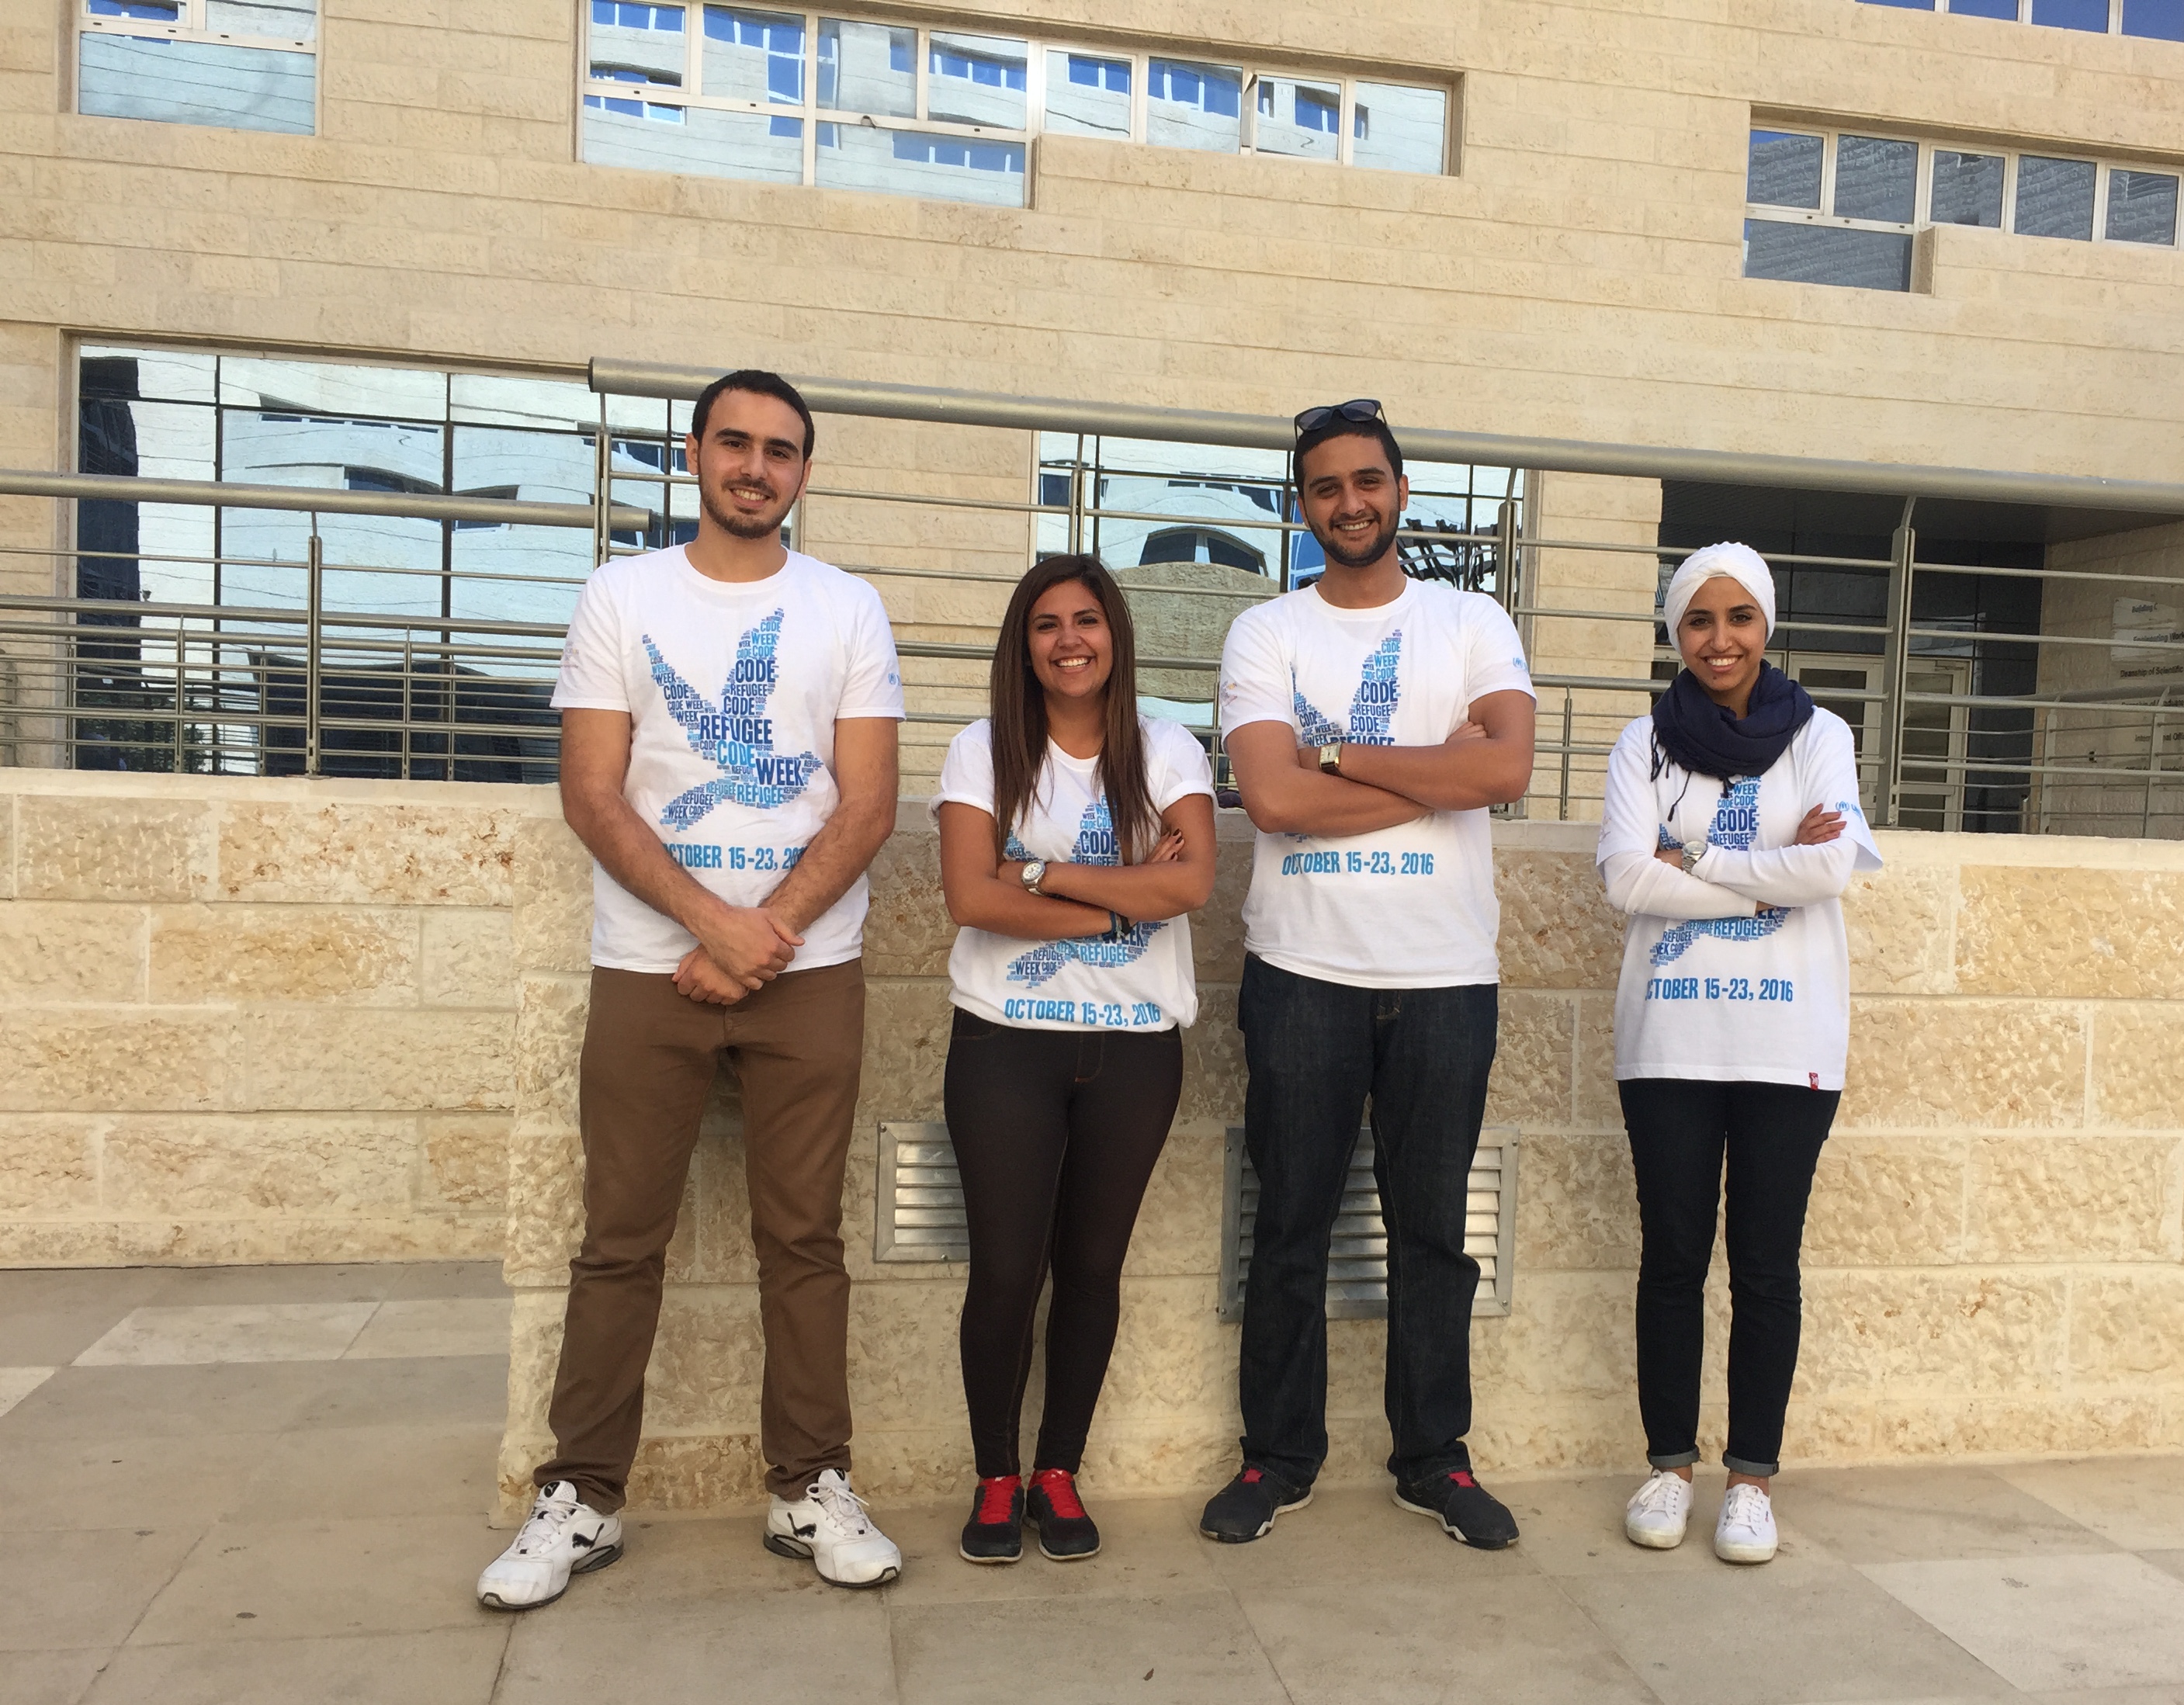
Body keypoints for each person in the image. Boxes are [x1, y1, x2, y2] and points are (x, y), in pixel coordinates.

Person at [477, 369, 907, 1610]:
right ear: (695, 454)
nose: (756, 467)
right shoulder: (622, 594)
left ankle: (809, 1485)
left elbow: (869, 802)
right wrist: (714, 923)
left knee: (804, 1241)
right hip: (646, 965)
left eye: (780, 450)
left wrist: (766, 934)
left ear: (804, 471)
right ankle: (581, 1497)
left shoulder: (846, 607)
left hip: (809, 971)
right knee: (619, 1241)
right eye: (735, 443)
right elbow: (591, 790)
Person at [1201, 398, 1538, 1551]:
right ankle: (1276, 1457)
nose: (1349, 502)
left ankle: (1435, 1460)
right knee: (1290, 1225)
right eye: (1326, 487)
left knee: (1433, 1232)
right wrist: (1435, 777)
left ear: (1400, 490)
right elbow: (1270, 797)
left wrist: (1337, 756)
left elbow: (1506, 770)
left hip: (1446, 975)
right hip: (1303, 971)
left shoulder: (1471, 618)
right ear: (1304, 505)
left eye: (1367, 481)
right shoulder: (1267, 632)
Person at [1595, 541, 1880, 1564]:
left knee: (1765, 1265)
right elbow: (1626, 879)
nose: (1721, 640)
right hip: (1669, 1040)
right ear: (1677, 632)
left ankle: (1751, 1480)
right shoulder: (1643, 744)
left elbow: (1832, 867)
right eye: (1699, 620)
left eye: (1740, 617)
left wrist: (1699, 859)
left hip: (1787, 1042)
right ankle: (1669, 1467)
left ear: (1766, 624)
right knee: (1672, 1259)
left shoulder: (1821, 735)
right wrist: (1770, 874)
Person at [933, 554, 1218, 1563]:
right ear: (1024, 646)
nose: (1068, 640)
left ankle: (1059, 1471)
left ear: (1115, 636)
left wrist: (1041, 874)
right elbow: (971, 897)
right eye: (1046, 624)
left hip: (1134, 1052)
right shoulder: (982, 751)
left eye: (1086, 620)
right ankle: (995, 1478)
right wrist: (1119, 901)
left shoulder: (1167, 749)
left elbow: (1190, 885)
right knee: (1007, 1271)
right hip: (1004, 1043)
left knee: (1092, 1268)